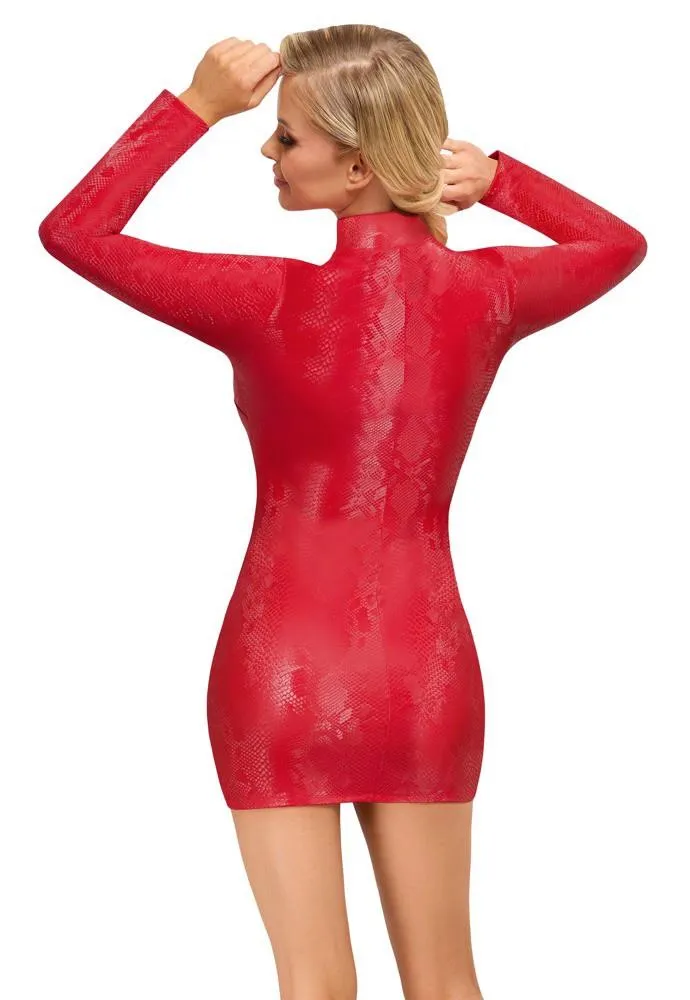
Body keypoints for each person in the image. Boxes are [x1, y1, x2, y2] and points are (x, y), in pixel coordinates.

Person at [38, 24, 647, 1000]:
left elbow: (75, 233)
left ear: (359, 165)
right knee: (448, 983)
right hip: (425, 667)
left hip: (277, 665)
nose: (267, 151)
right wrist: (501, 182)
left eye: (287, 137)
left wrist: (195, 107)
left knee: (313, 986)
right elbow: (620, 245)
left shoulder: (265, 298)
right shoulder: (489, 291)